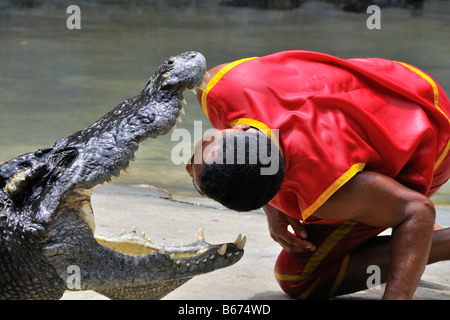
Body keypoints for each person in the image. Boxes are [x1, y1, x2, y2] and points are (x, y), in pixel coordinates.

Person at [185, 50, 450, 300]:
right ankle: (404, 230)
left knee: (298, 278)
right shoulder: (225, 88)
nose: (187, 164)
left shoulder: (331, 192)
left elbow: (418, 210)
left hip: (432, 139)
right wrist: (273, 209)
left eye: (206, 142)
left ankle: (437, 242)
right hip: (404, 79)